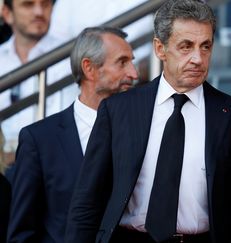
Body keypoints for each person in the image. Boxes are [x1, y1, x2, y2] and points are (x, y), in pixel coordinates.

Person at [65, 1, 231, 243]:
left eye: (206, 47)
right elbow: (88, 201)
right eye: (186, 46)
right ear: (160, 49)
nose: (197, 59)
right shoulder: (119, 110)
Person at [7, 27, 138, 243]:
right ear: (89, 68)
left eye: (132, 62)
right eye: (122, 62)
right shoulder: (40, 140)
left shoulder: (145, 129)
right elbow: (22, 232)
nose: (134, 73)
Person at [0, 0, 79, 163]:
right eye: (28, 4)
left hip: (53, 161)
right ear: (7, 14)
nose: (39, 11)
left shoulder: (70, 57)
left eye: (45, 4)